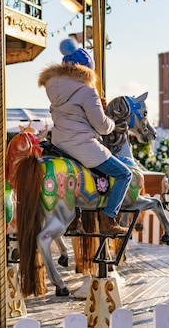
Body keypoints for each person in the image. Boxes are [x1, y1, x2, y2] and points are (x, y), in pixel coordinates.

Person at [37, 38, 131, 235]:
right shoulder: (87, 91)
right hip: (83, 146)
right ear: (87, 69)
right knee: (124, 174)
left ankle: (74, 217)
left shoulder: (53, 88)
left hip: (60, 145)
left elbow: (74, 116)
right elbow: (102, 127)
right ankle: (109, 218)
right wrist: (111, 121)